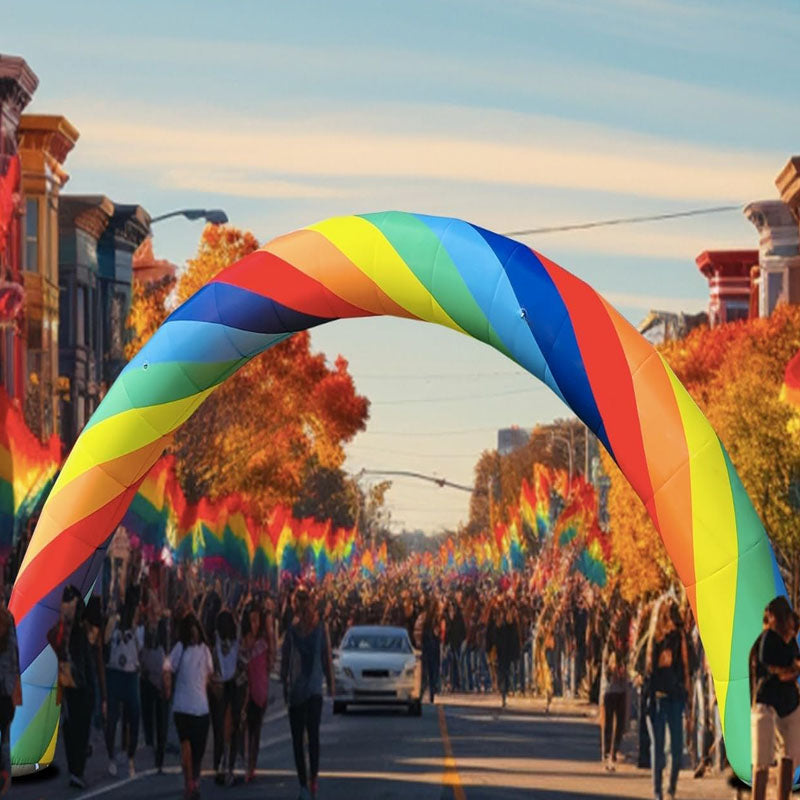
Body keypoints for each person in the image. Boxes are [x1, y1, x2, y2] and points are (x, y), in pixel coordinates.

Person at [281, 585, 334, 800]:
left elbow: (285, 661)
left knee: (298, 740)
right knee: (313, 737)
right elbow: (326, 656)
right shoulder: (320, 629)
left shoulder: (292, 631)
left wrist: (284, 684)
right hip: (314, 691)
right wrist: (331, 684)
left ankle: (304, 784)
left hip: (297, 691)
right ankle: (313, 780)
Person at [750, 596, 800, 800]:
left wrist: (792, 670)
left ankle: (782, 796)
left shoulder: (791, 642)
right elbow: (778, 671)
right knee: (762, 759)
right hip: (767, 703)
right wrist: (792, 670)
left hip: (789, 704)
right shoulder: (768, 639)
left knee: (790, 755)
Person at [47, 586, 95, 789]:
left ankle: (76, 769)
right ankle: (77, 770)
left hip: (72, 681)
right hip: (76, 683)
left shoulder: (69, 630)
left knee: (73, 726)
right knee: (77, 727)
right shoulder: (70, 631)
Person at [164, 612, 213, 800]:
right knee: (186, 746)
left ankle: (194, 780)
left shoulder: (204, 651)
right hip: (184, 706)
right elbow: (168, 666)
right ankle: (189, 783)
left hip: (199, 708)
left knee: (197, 751)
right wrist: (168, 684)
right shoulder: (181, 648)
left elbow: (209, 675)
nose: (193, 635)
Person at [644, 597, 690, 800]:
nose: (671, 619)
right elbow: (646, 672)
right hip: (658, 699)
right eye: (668, 615)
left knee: (677, 748)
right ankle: (657, 792)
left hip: (675, 698)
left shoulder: (680, 638)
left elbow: (688, 667)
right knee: (658, 748)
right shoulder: (653, 641)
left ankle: (671, 788)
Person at [105, 585, 143, 777]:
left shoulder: (138, 629)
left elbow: (141, 650)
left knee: (134, 716)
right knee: (112, 718)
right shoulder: (114, 623)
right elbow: (104, 642)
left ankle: (130, 755)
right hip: (114, 673)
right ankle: (111, 757)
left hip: (130, 676)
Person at [241, 600, 274, 783]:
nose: (254, 624)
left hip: (260, 689)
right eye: (251, 620)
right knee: (246, 728)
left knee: (256, 730)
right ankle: (246, 764)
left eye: (257, 620)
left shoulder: (264, 642)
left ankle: (252, 766)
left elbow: (272, 658)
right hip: (246, 689)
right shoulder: (244, 641)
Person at [140, 599, 168, 774]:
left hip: (160, 678)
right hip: (147, 679)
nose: (153, 615)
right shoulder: (143, 629)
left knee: (161, 719)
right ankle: (151, 745)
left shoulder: (163, 627)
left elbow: (167, 649)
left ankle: (160, 756)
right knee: (148, 715)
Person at [600, 612, 629, 771]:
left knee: (620, 723)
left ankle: (615, 750)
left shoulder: (626, 648)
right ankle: (607, 752)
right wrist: (613, 669)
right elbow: (606, 668)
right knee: (609, 722)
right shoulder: (608, 647)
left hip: (621, 688)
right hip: (610, 689)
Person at [0, 597, 20, 795]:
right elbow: (15, 656)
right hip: (6, 690)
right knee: (5, 734)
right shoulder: (8, 620)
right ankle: (5, 775)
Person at [415, 595, 441, 704]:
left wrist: (419, 644)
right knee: (432, 672)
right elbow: (436, 633)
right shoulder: (434, 618)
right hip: (432, 648)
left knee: (425, 673)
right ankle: (431, 694)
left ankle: (423, 694)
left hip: (426, 647)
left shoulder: (423, 617)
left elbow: (417, 631)